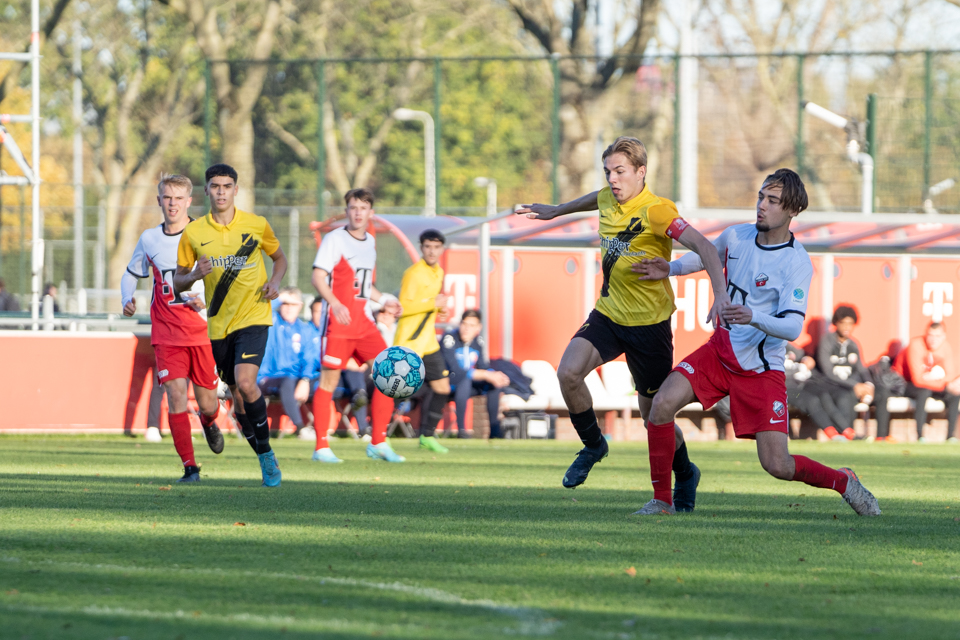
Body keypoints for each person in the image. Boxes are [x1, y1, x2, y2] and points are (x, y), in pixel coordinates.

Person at [634, 168, 880, 517]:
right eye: (761, 197)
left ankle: (844, 482)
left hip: (760, 371)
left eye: (772, 200)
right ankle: (662, 502)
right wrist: (670, 269)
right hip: (718, 353)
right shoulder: (736, 236)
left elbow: (793, 326)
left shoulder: (797, 262)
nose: (761, 206)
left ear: (792, 210)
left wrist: (752, 316)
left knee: (777, 464)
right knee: (660, 406)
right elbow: (705, 256)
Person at [516, 136, 729, 502]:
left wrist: (720, 294)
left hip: (649, 326)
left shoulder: (657, 210)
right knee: (567, 373)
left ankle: (686, 472)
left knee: (652, 419)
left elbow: (707, 247)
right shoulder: (606, 198)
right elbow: (592, 199)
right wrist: (557, 209)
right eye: (608, 171)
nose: (612, 179)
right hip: (609, 314)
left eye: (620, 172)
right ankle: (594, 445)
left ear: (641, 172)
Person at [174, 164, 287, 487]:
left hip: (254, 316)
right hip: (219, 326)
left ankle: (266, 455)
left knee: (247, 382)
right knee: (238, 397)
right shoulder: (194, 233)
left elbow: (279, 258)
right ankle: (261, 451)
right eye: (215, 186)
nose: (221, 191)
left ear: (236, 190)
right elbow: (177, 281)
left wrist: (275, 282)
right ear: (207, 191)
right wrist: (194, 275)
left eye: (227, 186)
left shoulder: (256, 225)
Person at [121, 173, 224, 483]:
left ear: (189, 201)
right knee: (176, 395)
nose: (173, 204)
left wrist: (206, 302)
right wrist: (128, 298)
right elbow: (131, 273)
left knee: (207, 401)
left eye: (179, 198)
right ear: (159, 201)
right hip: (166, 333)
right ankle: (190, 467)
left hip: (201, 332)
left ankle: (209, 421)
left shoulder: (205, 234)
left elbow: (220, 280)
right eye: (167, 198)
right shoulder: (149, 238)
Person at [310, 188, 404, 464]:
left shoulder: (370, 242)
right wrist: (334, 303)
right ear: (347, 211)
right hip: (338, 323)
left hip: (363, 322)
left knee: (386, 374)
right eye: (353, 207)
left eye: (363, 207)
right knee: (329, 381)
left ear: (370, 212)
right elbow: (318, 277)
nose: (358, 212)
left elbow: (365, 287)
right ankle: (321, 447)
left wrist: (385, 300)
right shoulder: (334, 239)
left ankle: (378, 443)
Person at [394, 229, 453, 453]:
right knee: (396, 390)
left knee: (442, 388)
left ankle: (427, 435)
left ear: (442, 249)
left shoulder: (439, 272)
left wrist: (440, 310)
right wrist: (432, 303)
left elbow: (429, 304)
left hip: (428, 341)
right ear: (421, 248)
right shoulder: (413, 273)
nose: (432, 251)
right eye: (428, 246)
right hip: (410, 340)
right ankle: (378, 435)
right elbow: (403, 308)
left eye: (436, 247)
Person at [806, 305, 876, 441]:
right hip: (827, 385)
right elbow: (828, 373)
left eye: (850, 324)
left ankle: (850, 434)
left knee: (851, 394)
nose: (846, 327)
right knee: (844, 395)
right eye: (843, 323)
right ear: (835, 323)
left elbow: (862, 368)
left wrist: (869, 385)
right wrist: (855, 385)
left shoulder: (853, 344)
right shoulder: (826, 341)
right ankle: (845, 434)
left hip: (848, 386)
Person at [440, 310, 509, 439]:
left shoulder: (478, 341)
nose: (467, 329)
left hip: (468, 384)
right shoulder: (449, 339)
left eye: (471, 326)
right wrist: (484, 374)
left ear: (478, 327)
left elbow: (483, 366)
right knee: (464, 380)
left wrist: (495, 376)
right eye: (464, 324)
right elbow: (455, 370)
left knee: (494, 384)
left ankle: (494, 431)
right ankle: (462, 430)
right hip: (449, 383)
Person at [893, 322, 960, 442]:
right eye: (930, 335)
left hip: (932, 384)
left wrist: (942, 383)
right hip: (904, 384)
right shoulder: (916, 345)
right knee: (923, 393)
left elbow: (950, 376)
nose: (933, 339)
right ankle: (920, 436)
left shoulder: (945, 347)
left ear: (943, 336)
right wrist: (943, 384)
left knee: (954, 395)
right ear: (925, 334)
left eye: (937, 336)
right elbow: (917, 380)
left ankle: (950, 436)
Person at [257, 288, 311, 438]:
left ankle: (322, 430)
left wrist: (305, 379)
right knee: (287, 381)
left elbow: (310, 358)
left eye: (292, 304)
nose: (288, 307)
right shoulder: (271, 321)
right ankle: (301, 428)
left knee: (323, 381)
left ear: (300, 305)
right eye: (285, 303)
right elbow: (260, 306)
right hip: (268, 377)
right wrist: (280, 297)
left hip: (297, 379)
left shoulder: (304, 329)